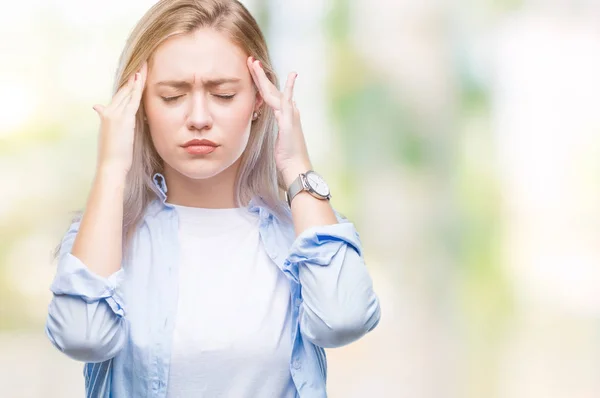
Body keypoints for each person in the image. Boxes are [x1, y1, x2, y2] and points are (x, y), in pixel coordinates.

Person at [45, 0, 381, 396]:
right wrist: (110, 170)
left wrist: (296, 165)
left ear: (259, 100)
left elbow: (344, 320)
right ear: (140, 106)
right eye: (172, 96)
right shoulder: (106, 238)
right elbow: (83, 337)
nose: (199, 117)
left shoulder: (304, 235)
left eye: (223, 94)